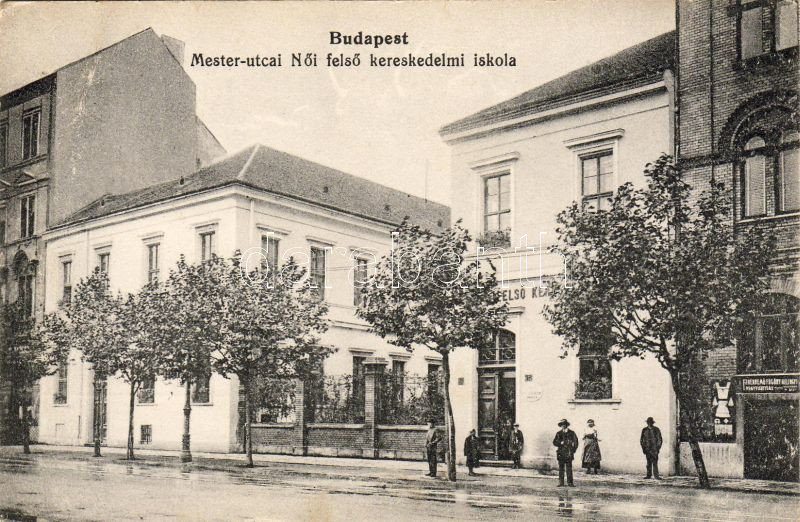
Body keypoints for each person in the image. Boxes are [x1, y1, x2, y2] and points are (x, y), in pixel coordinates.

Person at [553, 419, 579, 487]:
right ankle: (561, 483)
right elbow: (554, 442)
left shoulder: (572, 433)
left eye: (564, 424)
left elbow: (576, 442)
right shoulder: (558, 433)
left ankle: (570, 483)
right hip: (560, 453)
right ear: (561, 425)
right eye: (562, 424)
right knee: (561, 468)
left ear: (567, 425)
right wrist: (560, 443)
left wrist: (573, 450)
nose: (563, 425)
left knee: (569, 468)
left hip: (569, 453)